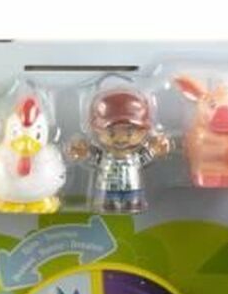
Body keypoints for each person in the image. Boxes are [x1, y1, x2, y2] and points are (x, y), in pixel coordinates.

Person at [68, 85, 172, 213]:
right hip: (106, 191)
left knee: (132, 203)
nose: (121, 139)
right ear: (97, 131)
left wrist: (154, 149)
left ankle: (131, 204)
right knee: (107, 205)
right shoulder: (105, 157)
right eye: (111, 133)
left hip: (133, 189)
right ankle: (108, 205)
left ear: (143, 131)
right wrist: (83, 151)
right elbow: (93, 157)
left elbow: (143, 158)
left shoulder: (133, 158)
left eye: (129, 133)